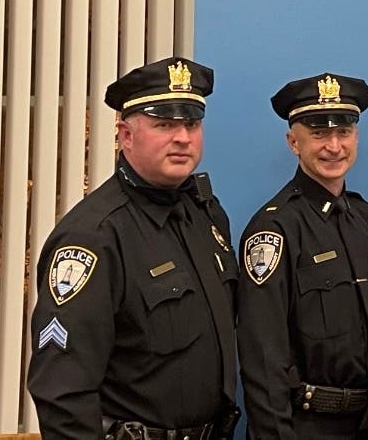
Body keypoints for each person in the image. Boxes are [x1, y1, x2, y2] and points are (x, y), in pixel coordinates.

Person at [27, 56, 240, 440]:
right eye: (164, 125)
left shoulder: (204, 215)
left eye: (191, 124)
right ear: (126, 135)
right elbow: (62, 392)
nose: (182, 138)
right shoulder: (94, 237)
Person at [237, 73, 368, 439]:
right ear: (294, 141)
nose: (334, 146)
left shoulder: (367, 221)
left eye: (344, 132)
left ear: (356, 137)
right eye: (319, 134)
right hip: (306, 425)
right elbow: (263, 357)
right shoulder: (274, 231)